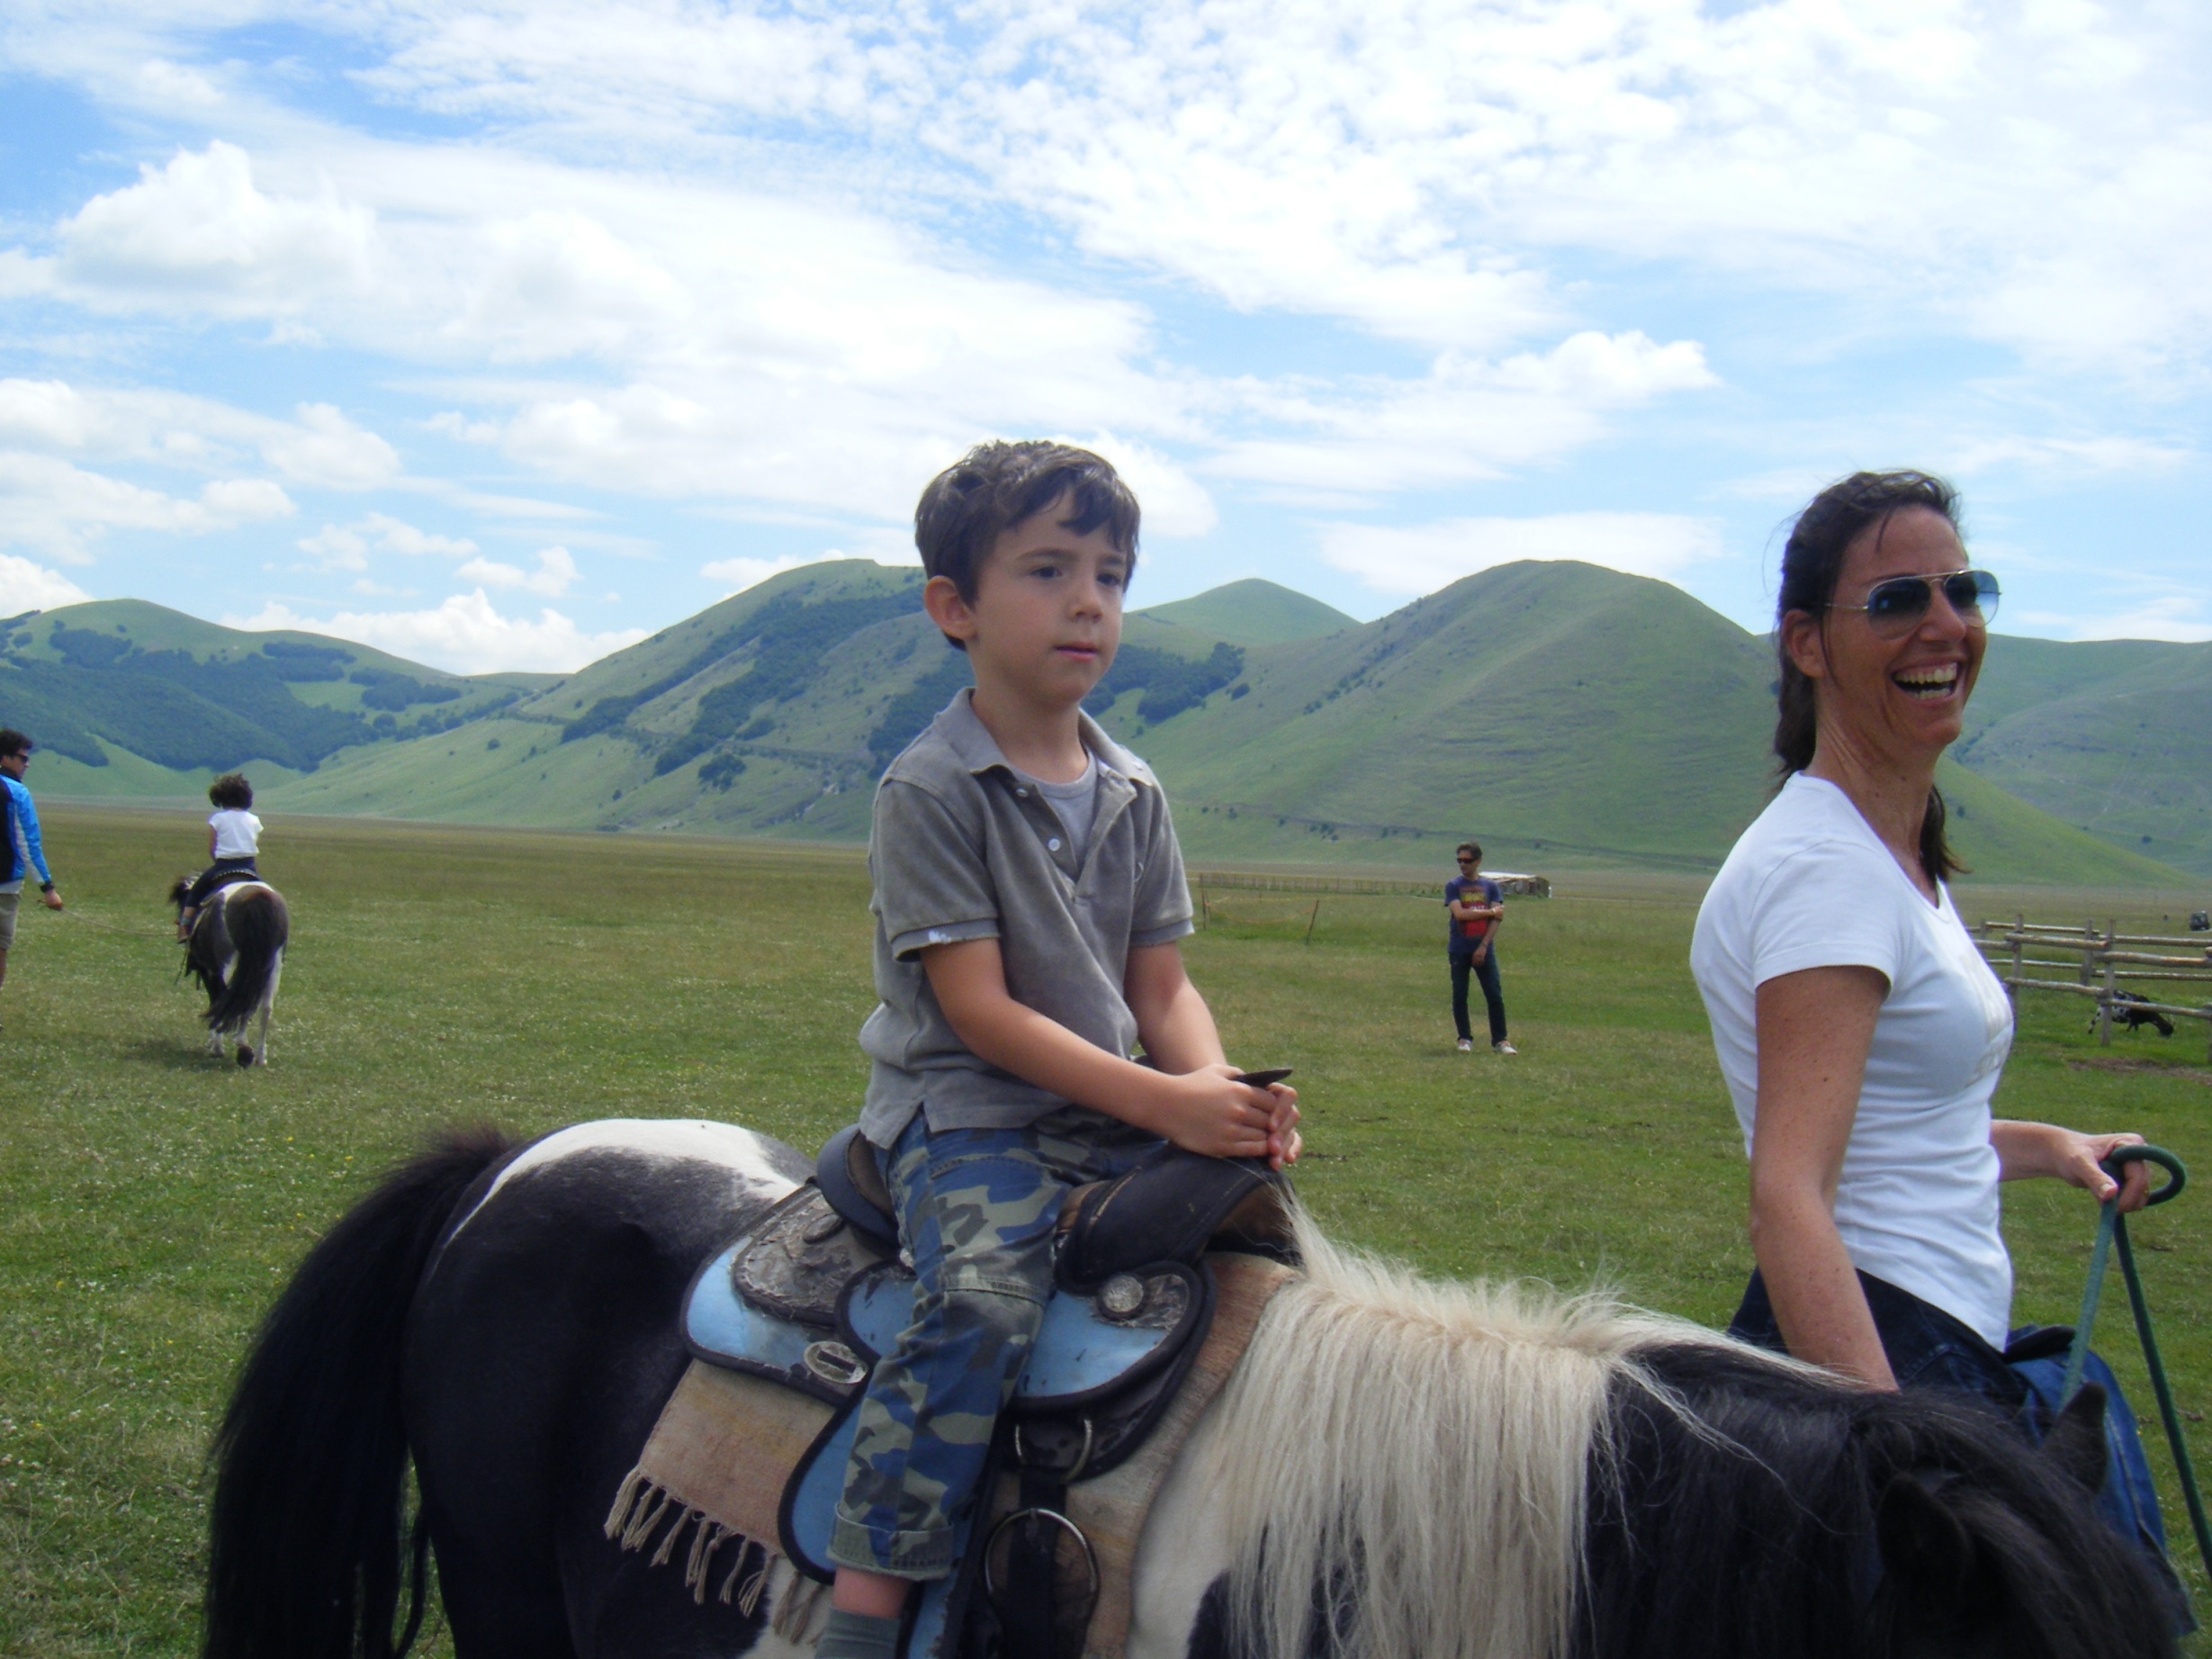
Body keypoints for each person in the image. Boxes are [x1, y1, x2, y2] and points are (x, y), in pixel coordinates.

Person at [820, 441, 1300, 1659]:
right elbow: (979, 1011)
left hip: (1111, 1105)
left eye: (1112, 572)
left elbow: (1162, 982)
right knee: (980, 1303)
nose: (1089, 598)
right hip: (967, 1114)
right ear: (955, 608)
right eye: (1047, 568)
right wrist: (1166, 1098)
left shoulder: (1135, 788)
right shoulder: (928, 787)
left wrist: (1219, 1091)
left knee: (1281, 1257)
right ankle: (867, 1601)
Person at [1690, 471, 2151, 1402]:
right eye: (1898, 599)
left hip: (1930, 1330)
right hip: (1885, 1343)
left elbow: (1898, 1134)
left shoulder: (1880, 854)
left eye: (1962, 589)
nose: (1945, 623)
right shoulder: (1826, 870)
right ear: (1808, 643)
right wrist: (1900, 1454)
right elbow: (1788, 1199)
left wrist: (2052, 1146)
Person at [0, 728, 65, 1026]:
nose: (27, 764)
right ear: (5, 758)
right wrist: (48, 888)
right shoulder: (16, 793)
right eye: (23, 758)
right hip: (5, 884)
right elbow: (28, 844)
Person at [1445, 842, 1514, 1053]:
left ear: (1478, 861)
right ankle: (1464, 1038)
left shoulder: (1490, 887)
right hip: (1459, 947)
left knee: (1494, 994)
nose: (1463, 865)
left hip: (1484, 948)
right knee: (1460, 995)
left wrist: (1484, 945)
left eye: (1467, 861)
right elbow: (1460, 914)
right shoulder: (1454, 886)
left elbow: (1498, 920)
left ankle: (1500, 1040)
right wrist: (1490, 912)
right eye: (1459, 861)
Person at [177, 772, 262, 942]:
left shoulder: (218, 819)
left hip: (223, 865)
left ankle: (184, 927)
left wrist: (219, 860)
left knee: (195, 892)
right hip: (249, 867)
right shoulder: (254, 820)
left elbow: (212, 848)